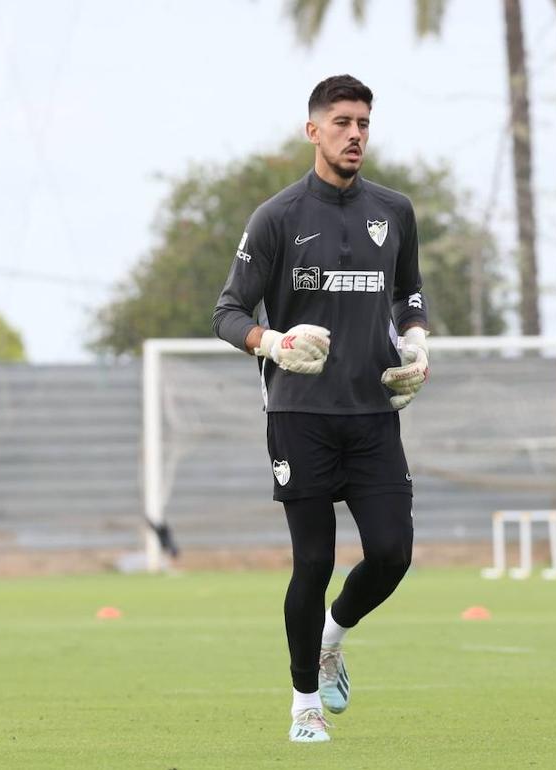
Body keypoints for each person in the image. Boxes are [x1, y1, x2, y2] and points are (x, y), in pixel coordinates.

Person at [212, 74, 429, 744]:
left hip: (372, 416)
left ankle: (333, 636)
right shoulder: (277, 217)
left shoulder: (394, 211)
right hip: (299, 416)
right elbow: (227, 313)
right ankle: (304, 703)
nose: (355, 133)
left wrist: (416, 342)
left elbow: (409, 296)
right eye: (341, 122)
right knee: (313, 562)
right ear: (314, 130)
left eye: (363, 122)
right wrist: (271, 342)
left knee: (392, 553)